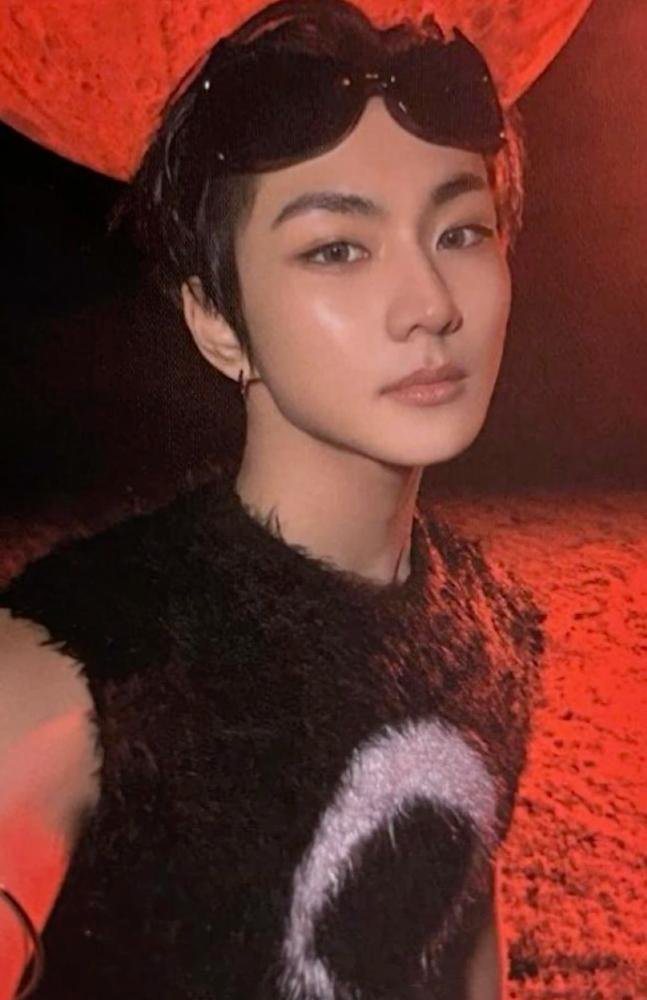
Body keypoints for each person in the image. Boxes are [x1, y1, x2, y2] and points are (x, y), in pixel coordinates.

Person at [0, 0, 547, 996]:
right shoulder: (80, 672)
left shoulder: (491, 634)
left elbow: (456, 938)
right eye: (336, 247)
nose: (431, 304)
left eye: (460, 229)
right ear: (217, 319)